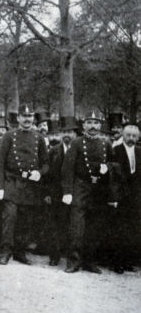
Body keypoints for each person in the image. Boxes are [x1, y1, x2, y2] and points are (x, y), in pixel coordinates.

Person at [0, 105, 49, 265]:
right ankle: (5, 251)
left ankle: (20, 251)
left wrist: (39, 172)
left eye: (30, 116)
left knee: (26, 221)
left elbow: (46, 163)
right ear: (18, 118)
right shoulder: (9, 136)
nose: (27, 119)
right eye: (24, 116)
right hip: (12, 182)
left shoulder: (39, 138)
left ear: (33, 118)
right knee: (9, 217)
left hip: (30, 186)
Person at [61, 110, 114, 273]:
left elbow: (114, 167)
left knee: (94, 228)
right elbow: (67, 168)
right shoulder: (77, 143)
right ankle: (74, 261)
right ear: (84, 125)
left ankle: (90, 261)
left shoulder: (106, 144)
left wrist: (108, 169)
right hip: (80, 187)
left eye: (96, 123)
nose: (93, 126)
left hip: (97, 191)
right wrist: (67, 191)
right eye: (89, 123)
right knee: (77, 227)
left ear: (100, 125)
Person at [45, 116, 77, 266]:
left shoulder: (79, 150)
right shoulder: (53, 151)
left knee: (73, 225)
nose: (67, 135)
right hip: (56, 194)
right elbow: (47, 176)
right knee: (55, 225)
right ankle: (54, 255)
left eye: (70, 131)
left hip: (75, 194)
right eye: (64, 131)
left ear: (75, 134)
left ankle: (71, 255)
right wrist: (47, 194)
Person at [109, 124, 141, 273]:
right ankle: (116, 262)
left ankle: (128, 261)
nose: (131, 139)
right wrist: (113, 197)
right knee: (118, 230)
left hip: (135, 198)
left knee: (132, 229)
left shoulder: (140, 152)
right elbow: (112, 177)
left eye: (134, 136)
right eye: (128, 135)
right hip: (120, 196)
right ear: (123, 135)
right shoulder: (115, 151)